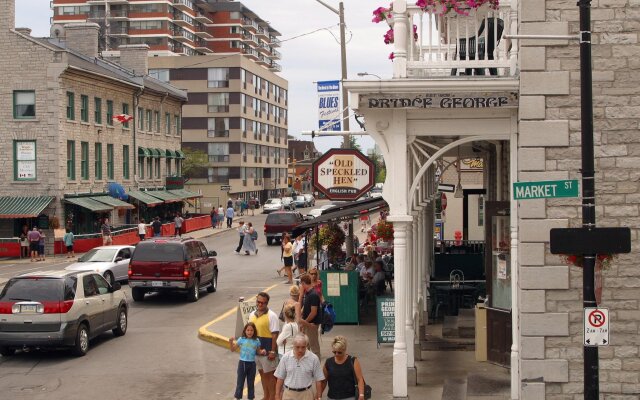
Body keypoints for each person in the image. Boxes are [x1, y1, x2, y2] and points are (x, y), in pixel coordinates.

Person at [248, 292, 280, 400]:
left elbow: (275, 334)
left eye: (263, 303)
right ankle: (266, 396)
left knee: (270, 376)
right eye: (259, 302)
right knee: (262, 375)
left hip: (267, 353)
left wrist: (272, 351)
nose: (260, 305)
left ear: (267, 303)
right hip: (256, 352)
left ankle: (272, 397)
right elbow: (249, 332)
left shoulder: (272, 316)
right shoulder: (252, 315)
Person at [274, 334, 324, 400]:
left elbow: (318, 379)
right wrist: (277, 395)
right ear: (293, 345)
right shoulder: (286, 357)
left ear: (307, 345)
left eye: (303, 347)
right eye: (297, 347)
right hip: (289, 394)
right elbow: (280, 378)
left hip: (306, 394)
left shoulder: (314, 358)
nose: (300, 350)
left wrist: (319, 397)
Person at [321, 336, 366, 400]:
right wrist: (319, 395)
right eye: (334, 352)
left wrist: (361, 395)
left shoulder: (353, 361)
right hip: (332, 397)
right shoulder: (328, 362)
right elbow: (324, 381)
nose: (336, 354)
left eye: (339, 352)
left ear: (344, 350)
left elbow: (360, 379)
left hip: (349, 397)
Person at [229, 322, 265, 400]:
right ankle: (238, 397)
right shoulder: (241, 339)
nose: (249, 332)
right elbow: (232, 349)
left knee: (251, 383)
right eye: (248, 330)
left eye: (251, 330)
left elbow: (258, 351)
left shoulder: (256, 341)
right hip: (242, 363)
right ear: (245, 331)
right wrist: (231, 342)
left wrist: (262, 352)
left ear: (254, 331)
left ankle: (251, 398)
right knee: (240, 382)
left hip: (252, 364)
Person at [299, 274, 322, 358]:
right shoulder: (308, 293)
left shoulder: (313, 295)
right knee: (306, 346)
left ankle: (317, 368)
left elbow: (313, 312)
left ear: (303, 283)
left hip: (312, 324)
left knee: (314, 347)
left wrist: (305, 322)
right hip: (308, 324)